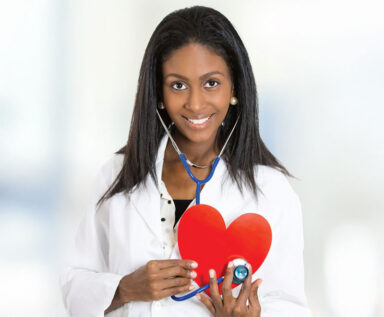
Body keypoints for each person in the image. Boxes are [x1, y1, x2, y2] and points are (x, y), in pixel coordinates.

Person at [61, 5, 311, 317]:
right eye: (178, 85)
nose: (195, 103)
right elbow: (74, 282)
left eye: (211, 83)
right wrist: (125, 288)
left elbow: (290, 305)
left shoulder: (270, 190)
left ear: (234, 87)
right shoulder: (116, 175)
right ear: (159, 92)